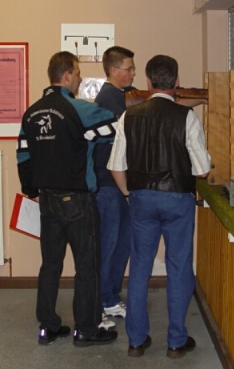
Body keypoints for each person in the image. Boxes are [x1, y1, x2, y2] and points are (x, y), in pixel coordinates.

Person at [107, 55, 211, 358]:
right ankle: (176, 341)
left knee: (140, 266)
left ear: (149, 81)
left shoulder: (129, 116)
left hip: (141, 199)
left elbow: (116, 166)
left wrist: (128, 193)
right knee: (179, 267)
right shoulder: (186, 116)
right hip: (178, 199)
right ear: (176, 81)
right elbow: (202, 169)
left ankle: (136, 341)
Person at [16, 51, 119, 348]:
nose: (80, 78)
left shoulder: (31, 113)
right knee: (87, 266)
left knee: (50, 265)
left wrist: (31, 190)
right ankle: (86, 329)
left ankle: (48, 326)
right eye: (77, 73)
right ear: (66, 76)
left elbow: (23, 154)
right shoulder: (79, 109)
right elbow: (115, 128)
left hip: (47, 200)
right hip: (78, 201)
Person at [93, 46, 136, 322]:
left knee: (122, 243)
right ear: (113, 70)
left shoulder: (120, 96)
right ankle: (104, 300)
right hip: (108, 185)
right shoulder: (109, 99)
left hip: (117, 184)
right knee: (109, 246)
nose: (133, 73)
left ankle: (110, 296)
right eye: (128, 69)